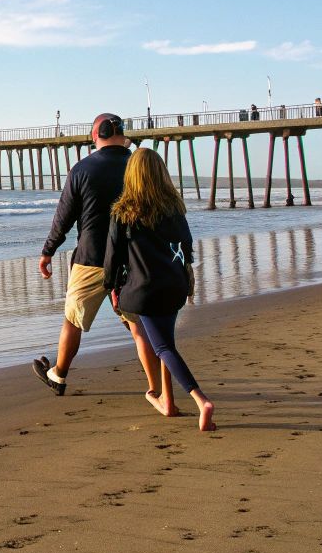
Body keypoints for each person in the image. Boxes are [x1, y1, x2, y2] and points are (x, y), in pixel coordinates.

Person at [104, 147, 216, 431]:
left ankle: (201, 400)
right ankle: (167, 401)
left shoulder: (122, 211)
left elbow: (113, 258)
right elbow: (187, 246)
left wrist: (111, 288)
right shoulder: (174, 208)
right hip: (174, 286)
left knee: (164, 347)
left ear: (132, 175)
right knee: (166, 342)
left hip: (144, 291)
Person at [32, 113, 131, 395]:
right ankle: (159, 381)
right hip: (129, 257)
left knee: (74, 319)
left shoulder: (82, 169)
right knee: (137, 323)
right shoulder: (136, 166)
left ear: (96, 134)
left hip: (92, 258)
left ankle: (59, 375)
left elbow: (64, 217)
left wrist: (48, 251)